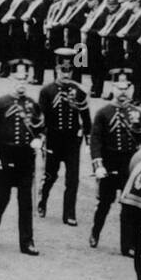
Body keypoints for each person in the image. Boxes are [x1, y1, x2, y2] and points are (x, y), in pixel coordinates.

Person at [88, 67, 141, 254]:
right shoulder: (103, 113)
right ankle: (95, 232)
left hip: (129, 165)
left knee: (128, 207)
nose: (122, 92)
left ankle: (127, 246)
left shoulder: (137, 113)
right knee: (104, 204)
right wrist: (98, 165)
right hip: (109, 163)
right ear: (113, 88)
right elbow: (96, 141)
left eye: (126, 88)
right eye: (119, 88)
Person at [0, 58, 45, 255]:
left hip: (25, 158)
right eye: (18, 79)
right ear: (11, 78)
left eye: (24, 79)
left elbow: (40, 128)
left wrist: (39, 140)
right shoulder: (1, 103)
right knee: (2, 198)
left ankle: (27, 242)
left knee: (26, 202)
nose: (21, 83)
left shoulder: (32, 104)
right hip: (5, 156)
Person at [37, 47, 91, 227]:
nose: (66, 74)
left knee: (73, 179)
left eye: (69, 71)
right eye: (63, 70)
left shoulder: (79, 91)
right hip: (53, 139)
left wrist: (88, 137)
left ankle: (69, 213)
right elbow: (41, 117)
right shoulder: (47, 91)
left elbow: (85, 115)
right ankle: (42, 200)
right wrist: (42, 137)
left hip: (72, 141)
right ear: (56, 70)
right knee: (51, 175)